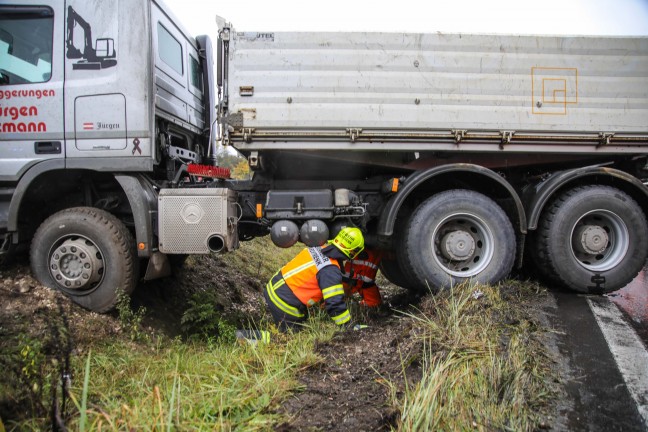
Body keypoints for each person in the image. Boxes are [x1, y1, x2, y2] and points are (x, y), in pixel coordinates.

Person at [263, 227, 364, 332]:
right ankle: (258, 338)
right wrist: (349, 326)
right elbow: (334, 304)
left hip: (273, 287)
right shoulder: (330, 271)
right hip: (284, 303)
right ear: (353, 252)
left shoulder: (318, 249)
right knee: (291, 339)